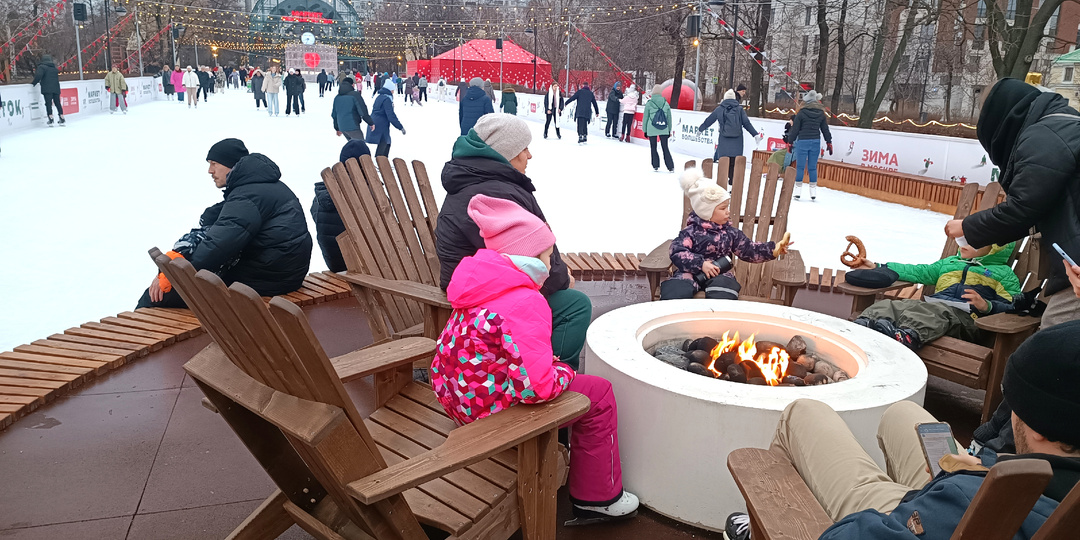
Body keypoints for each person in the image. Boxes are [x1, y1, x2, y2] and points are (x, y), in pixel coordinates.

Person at [726, 320, 1080, 540]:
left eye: (1011, 404)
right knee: (905, 414)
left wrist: (950, 485)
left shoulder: (977, 501)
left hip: (942, 514)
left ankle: (755, 527)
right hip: (977, 494)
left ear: (1042, 430)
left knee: (803, 412)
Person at [432, 193, 640, 524]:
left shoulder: (478, 285)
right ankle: (598, 498)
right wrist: (563, 372)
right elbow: (539, 389)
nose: (551, 263)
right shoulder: (524, 301)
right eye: (547, 255)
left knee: (556, 370)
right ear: (529, 258)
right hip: (492, 418)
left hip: (463, 402)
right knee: (599, 393)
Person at [435, 113, 591, 371]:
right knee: (575, 305)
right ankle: (551, 376)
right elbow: (527, 255)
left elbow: (525, 247)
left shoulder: (482, 182)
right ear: (506, 152)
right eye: (524, 148)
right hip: (485, 302)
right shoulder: (495, 193)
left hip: (478, 290)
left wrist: (559, 270)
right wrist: (561, 278)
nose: (529, 156)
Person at [945, 78, 1080, 328]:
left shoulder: (1045, 135)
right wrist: (980, 236)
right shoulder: (1063, 127)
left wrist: (968, 228)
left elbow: (1023, 207)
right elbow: (1037, 207)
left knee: (1051, 346)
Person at [137, 139, 312, 309]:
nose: (210, 171)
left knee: (156, 296)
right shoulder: (261, 186)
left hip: (266, 280)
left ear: (232, 165)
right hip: (279, 273)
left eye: (214, 163)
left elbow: (217, 247)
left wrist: (176, 277)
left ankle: (137, 338)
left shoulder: (248, 196)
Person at [847, 243, 1029, 350]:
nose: (963, 243)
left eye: (973, 241)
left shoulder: (1003, 274)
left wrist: (988, 306)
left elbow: (1014, 306)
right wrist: (879, 266)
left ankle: (908, 337)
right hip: (932, 308)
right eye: (963, 238)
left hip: (967, 320)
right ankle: (863, 325)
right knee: (893, 305)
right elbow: (918, 271)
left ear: (995, 247)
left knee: (936, 311)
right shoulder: (949, 263)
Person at [659, 168, 791, 300]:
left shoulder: (731, 234)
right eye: (723, 208)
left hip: (719, 272)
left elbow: (749, 250)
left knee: (725, 287)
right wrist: (701, 264)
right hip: (690, 273)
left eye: (727, 207)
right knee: (676, 289)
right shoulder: (690, 233)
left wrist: (774, 249)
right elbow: (677, 251)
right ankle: (675, 316)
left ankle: (718, 317)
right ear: (706, 212)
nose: (728, 212)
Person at [311, 140, 369, 273]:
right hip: (367, 265)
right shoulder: (369, 192)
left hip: (335, 263)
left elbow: (317, 217)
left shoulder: (323, 192)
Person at [698, 88, 763, 185]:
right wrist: (755, 135)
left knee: (724, 163)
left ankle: (723, 184)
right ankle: (733, 184)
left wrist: (701, 129)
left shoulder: (720, 109)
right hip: (737, 141)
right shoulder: (739, 109)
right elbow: (746, 123)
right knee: (734, 163)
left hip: (724, 140)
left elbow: (709, 120)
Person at [788, 90, 832, 200]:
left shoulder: (801, 113)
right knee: (812, 167)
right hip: (815, 141)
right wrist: (829, 141)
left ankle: (798, 191)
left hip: (803, 141)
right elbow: (825, 129)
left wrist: (790, 142)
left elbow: (795, 129)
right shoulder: (821, 114)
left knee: (800, 167)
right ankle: (813, 193)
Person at [366, 79, 406, 157]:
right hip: (380, 124)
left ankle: (383, 162)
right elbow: (390, 115)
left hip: (376, 121)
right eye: (392, 90)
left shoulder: (380, 96)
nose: (393, 92)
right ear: (390, 90)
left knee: (387, 143)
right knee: (384, 143)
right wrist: (400, 127)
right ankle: (380, 163)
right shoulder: (387, 99)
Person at [642, 84, 674, 172]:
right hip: (664, 128)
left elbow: (645, 118)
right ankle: (670, 166)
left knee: (653, 147)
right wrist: (669, 130)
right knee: (665, 147)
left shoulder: (649, 103)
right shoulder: (666, 103)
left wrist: (645, 130)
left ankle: (655, 165)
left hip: (651, 128)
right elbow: (669, 118)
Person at [31, 54, 63, 126]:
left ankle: (50, 118)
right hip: (56, 87)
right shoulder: (54, 68)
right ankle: (62, 117)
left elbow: (39, 76)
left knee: (48, 103)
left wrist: (34, 83)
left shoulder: (41, 67)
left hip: (47, 88)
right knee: (57, 103)